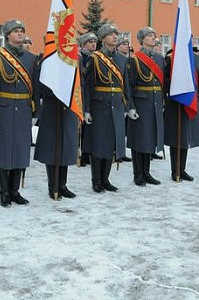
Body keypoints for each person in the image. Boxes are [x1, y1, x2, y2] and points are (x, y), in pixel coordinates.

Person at [0, 19, 39, 207]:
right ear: (7, 35)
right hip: (4, 109)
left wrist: (35, 113)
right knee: (4, 151)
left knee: (22, 150)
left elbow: (36, 88)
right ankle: (4, 192)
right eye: (16, 31)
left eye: (22, 31)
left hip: (24, 108)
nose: (20, 34)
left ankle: (15, 191)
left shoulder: (32, 59)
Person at [82, 23, 131, 193]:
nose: (115, 37)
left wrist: (128, 106)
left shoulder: (122, 60)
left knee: (111, 143)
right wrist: (86, 110)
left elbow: (126, 86)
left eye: (116, 34)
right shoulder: (94, 58)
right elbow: (87, 86)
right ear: (103, 39)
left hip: (116, 104)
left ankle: (106, 179)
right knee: (98, 144)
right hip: (99, 104)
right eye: (111, 34)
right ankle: (96, 180)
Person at [34, 62, 79, 201]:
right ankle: (52, 186)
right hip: (52, 106)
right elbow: (40, 85)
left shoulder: (73, 59)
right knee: (52, 148)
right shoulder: (48, 60)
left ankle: (62, 185)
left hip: (69, 106)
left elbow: (79, 84)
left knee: (65, 147)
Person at [126, 27, 164, 186]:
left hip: (154, 101)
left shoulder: (159, 58)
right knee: (139, 139)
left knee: (150, 138)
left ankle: (147, 172)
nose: (153, 38)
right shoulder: (134, 59)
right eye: (149, 36)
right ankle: (138, 174)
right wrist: (130, 106)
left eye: (154, 35)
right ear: (142, 40)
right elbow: (129, 85)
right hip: (141, 101)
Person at [164, 47, 199, 182]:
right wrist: (178, 84)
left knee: (185, 137)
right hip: (175, 101)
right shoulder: (170, 59)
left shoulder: (196, 59)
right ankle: (175, 170)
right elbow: (164, 80)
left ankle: (182, 169)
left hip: (190, 101)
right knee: (176, 137)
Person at [78, 32, 97, 167]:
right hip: (83, 93)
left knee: (92, 127)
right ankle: (82, 153)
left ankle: (89, 152)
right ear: (83, 44)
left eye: (94, 42)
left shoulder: (97, 57)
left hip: (94, 95)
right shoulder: (81, 58)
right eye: (90, 42)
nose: (93, 44)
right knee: (83, 126)